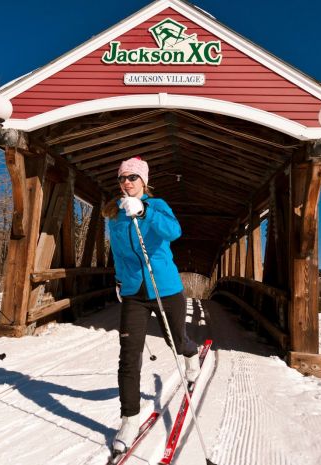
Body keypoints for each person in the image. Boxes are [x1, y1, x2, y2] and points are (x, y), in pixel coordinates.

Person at [103, 156, 200, 454]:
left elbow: (174, 232)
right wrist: (120, 281)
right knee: (129, 356)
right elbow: (119, 253)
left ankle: (190, 353)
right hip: (133, 292)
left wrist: (144, 212)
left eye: (133, 177)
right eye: (123, 178)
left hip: (165, 288)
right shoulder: (114, 215)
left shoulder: (158, 206)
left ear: (144, 181)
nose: (127, 182)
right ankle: (129, 419)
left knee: (175, 339)